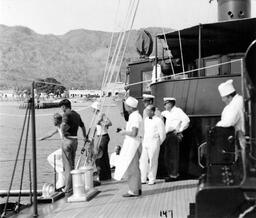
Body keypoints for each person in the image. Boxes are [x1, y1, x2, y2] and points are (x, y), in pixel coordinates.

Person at [114, 96, 143, 197]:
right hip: (135, 144)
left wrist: (124, 132)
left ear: (130, 107)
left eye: (126, 105)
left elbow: (134, 133)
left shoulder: (134, 117)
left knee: (132, 168)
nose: (125, 107)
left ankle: (133, 190)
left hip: (133, 145)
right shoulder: (136, 115)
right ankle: (137, 188)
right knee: (135, 168)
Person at [59, 99, 87, 196]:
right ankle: (73, 185)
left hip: (67, 140)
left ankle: (67, 188)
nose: (61, 109)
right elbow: (83, 126)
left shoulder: (66, 115)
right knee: (72, 164)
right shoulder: (76, 115)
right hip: (75, 141)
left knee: (67, 165)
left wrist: (63, 134)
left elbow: (63, 125)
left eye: (61, 107)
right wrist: (85, 136)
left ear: (64, 107)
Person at [161, 97, 190, 182]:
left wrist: (179, 130)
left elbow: (186, 120)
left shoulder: (178, 111)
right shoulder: (167, 112)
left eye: (165, 104)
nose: (164, 106)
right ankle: (171, 174)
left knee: (173, 156)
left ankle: (174, 175)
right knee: (168, 156)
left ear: (170, 103)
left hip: (173, 134)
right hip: (167, 135)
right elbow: (162, 113)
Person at [140, 105, 166, 185]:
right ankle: (143, 178)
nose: (146, 112)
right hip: (145, 142)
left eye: (148, 110)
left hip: (154, 142)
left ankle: (151, 179)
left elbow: (163, 135)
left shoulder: (158, 120)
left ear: (152, 111)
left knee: (153, 161)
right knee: (143, 160)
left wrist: (157, 143)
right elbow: (144, 131)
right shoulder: (146, 120)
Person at [39, 113, 65, 189]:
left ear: (58, 120)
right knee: (59, 168)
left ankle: (63, 168)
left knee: (50, 158)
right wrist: (42, 138)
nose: (53, 121)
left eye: (54, 120)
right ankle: (61, 183)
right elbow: (50, 134)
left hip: (65, 147)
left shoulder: (63, 126)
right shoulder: (58, 127)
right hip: (63, 147)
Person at [91, 101, 112, 181]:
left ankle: (103, 175)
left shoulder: (101, 114)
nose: (91, 110)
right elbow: (97, 128)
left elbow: (110, 123)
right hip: (100, 136)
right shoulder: (96, 115)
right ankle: (106, 175)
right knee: (104, 156)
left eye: (92, 108)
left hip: (103, 136)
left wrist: (100, 122)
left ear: (95, 108)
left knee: (101, 155)